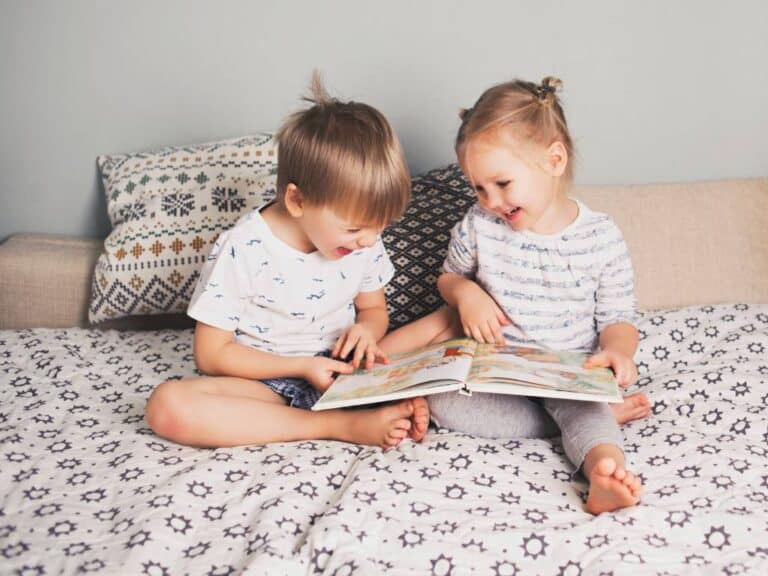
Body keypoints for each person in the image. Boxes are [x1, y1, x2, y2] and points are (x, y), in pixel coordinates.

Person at [380, 77, 648, 513]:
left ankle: (604, 471)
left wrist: (618, 353)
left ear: (554, 159)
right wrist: (466, 293)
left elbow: (619, 319)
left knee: (583, 411)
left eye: (502, 184)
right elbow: (448, 279)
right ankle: (573, 424)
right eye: (478, 188)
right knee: (443, 399)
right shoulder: (479, 225)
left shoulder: (601, 237)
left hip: (566, 373)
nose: (490, 201)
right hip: (496, 368)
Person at [146, 74, 429, 450]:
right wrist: (302, 368)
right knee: (168, 405)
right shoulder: (244, 248)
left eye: (380, 227)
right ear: (298, 201)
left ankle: (382, 397)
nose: (370, 240)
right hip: (268, 380)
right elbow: (211, 355)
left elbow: (373, 308)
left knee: (450, 319)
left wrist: (368, 331)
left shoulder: (364, 239)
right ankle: (338, 425)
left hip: (345, 370)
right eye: (356, 228)